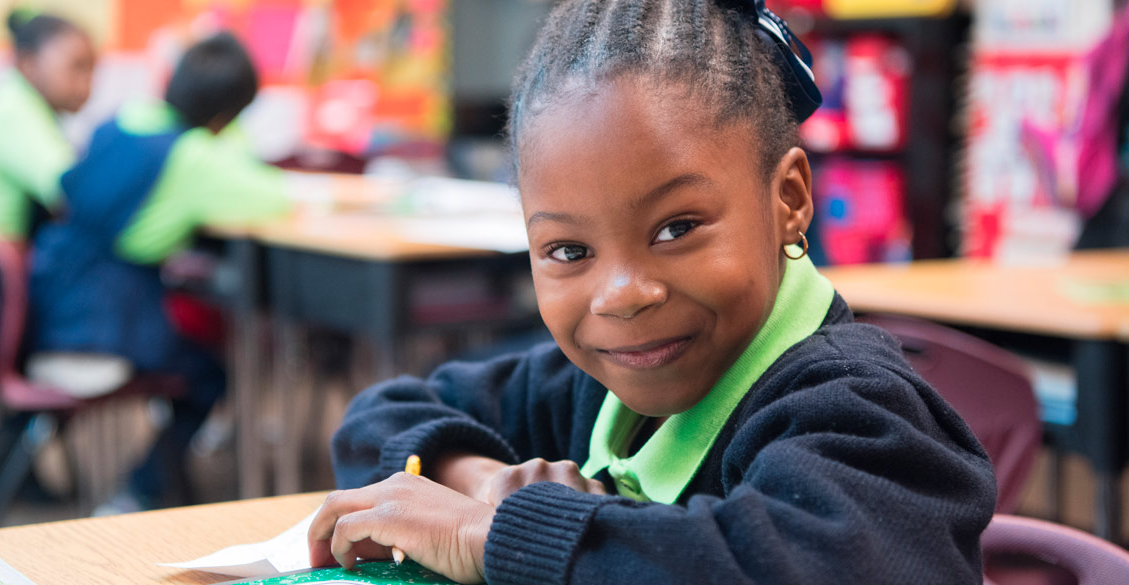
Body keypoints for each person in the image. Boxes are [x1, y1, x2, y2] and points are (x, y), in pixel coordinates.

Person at [307, 1, 996, 584]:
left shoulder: (862, 411)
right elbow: (376, 418)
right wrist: (479, 478)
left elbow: (779, 565)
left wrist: (493, 536)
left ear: (788, 199)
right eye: (569, 251)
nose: (623, 294)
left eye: (676, 228)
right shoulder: (603, 387)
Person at [29, 32, 289, 510]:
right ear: (225, 115)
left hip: (49, 301)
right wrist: (230, 144)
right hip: (103, 321)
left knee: (191, 349)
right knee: (209, 372)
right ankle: (142, 488)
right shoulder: (191, 155)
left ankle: (146, 484)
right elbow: (274, 197)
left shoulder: (120, 123)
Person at [0, 9, 95, 359]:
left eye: (92, 69)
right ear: (28, 64)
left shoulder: (18, 102)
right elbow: (69, 188)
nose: (88, 84)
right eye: (77, 67)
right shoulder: (14, 108)